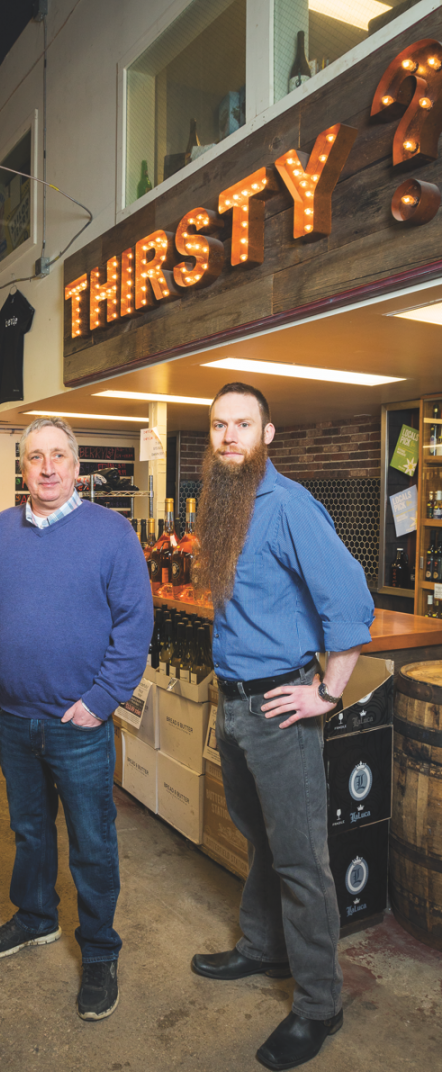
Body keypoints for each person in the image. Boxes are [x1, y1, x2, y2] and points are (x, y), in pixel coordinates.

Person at [190, 382, 374, 1072]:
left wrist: (326, 693)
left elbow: (351, 603)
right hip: (235, 703)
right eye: (219, 425)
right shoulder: (227, 504)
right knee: (260, 838)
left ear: (268, 435)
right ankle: (261, 946)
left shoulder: (290, 505)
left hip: (280, 705)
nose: (229, 435)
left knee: (301, 860)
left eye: (243, 424)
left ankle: (320, 1004)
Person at [0, 416, 153, 1021]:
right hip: (14, 716)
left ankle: (98, 950)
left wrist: (101, 701)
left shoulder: (112, 532)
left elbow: (134, 626)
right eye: (35, 457)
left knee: (92, 843)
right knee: (30, 830)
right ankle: (36, 917)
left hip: (79, 724)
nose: (47, 467)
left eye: (58, 456)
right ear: (23, 466)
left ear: (77, 466)